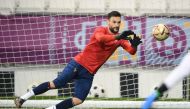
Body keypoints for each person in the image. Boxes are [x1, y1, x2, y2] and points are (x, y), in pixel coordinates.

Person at [14, 11, 142, 109]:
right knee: (55, 84)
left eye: (119, 22)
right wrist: (118, 36)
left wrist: (135, 45)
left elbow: (131, 51)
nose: (117, 25)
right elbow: (101, 39)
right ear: (108, 22)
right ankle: (22, 99)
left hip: (89, 73)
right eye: (114, 22)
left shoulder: (120, 39)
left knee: (78, 100)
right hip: (79, 64)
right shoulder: (100, 30)